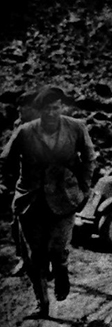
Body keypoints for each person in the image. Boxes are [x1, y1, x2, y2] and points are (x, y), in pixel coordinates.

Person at [0, 86, 96, 319]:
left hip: (64, 197)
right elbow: (6, 159)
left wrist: (83, 189)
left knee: (58, 246)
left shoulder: (76, 128)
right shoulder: (25, 131)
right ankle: (41, 303)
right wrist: (11, 183)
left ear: (61, 108)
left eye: (56, 108)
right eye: (47, 109)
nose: (52, 113)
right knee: (34, 256)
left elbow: (89, 158)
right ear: (39, 110)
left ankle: (61, 269)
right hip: (31, 200)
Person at [8, 91, 39, 277]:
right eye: (18, 106)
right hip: (23, 180)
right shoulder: (18, 125)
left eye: (24, 106)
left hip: (42, 181)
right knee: (17, 221)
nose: (19, 110)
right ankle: (23, 259)